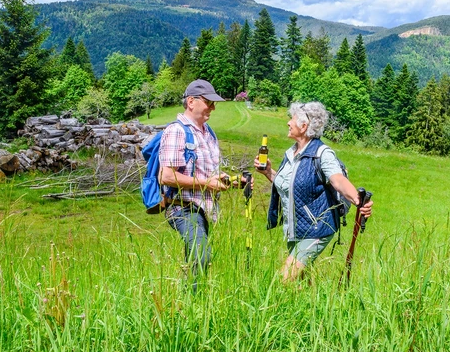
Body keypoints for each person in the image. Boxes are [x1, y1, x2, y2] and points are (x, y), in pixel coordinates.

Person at [255, 101, 373, 282]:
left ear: (304, 126)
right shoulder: (291, 153)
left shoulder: (322, 153)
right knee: (300, 283)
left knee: (283, 280)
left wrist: (358, 199)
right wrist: (268, 172)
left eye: (292, 119)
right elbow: (289, 185)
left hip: (317, 228)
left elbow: (338, 180)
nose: (288, 122)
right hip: (294, 229)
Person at [158, 79, 236, 290]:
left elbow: (208, 172)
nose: (212, 107)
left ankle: (190, 303)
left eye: (214, 103)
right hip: (183, 207)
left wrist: (230, 180)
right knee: (201, 256)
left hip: (205, 209)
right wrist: (206, 184)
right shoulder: (177, 131)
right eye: (208, 102)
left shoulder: (208, 132)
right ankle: (191, 303)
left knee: (198, 260)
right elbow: (166, 176)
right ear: (191, 102)